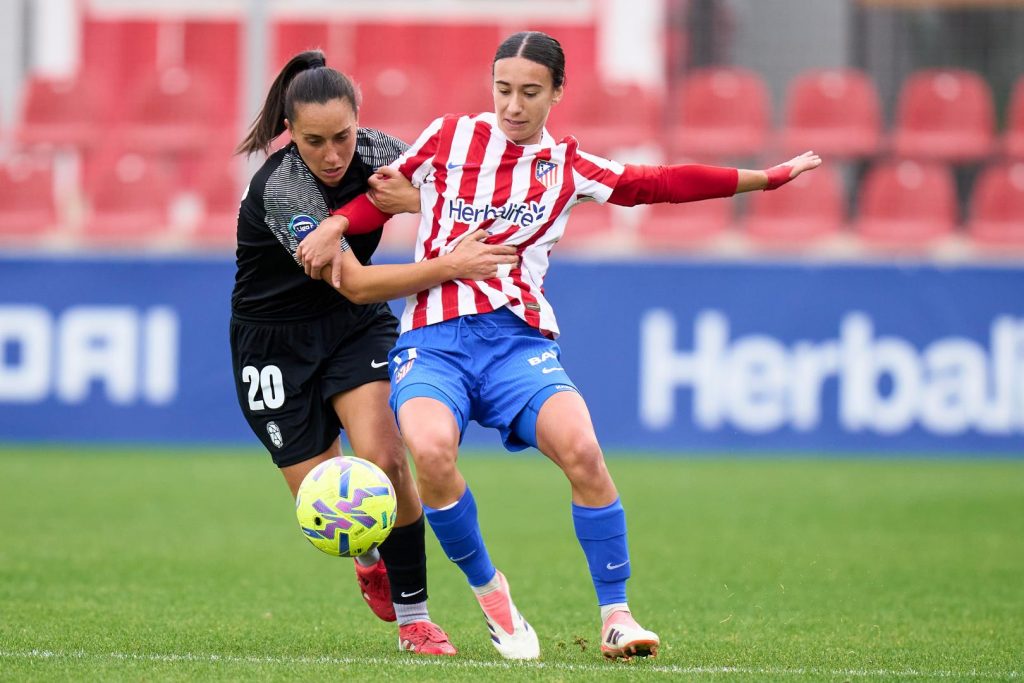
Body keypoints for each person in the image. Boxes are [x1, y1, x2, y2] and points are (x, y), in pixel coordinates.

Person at [299, 31, 821, 662]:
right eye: (502, 90)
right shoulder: (448, 137)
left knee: (584, 451)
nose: (513, 106)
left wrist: (765, 179)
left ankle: (617, 616)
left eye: (529, 93)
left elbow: (657, 182)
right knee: (430, 452)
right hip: (432, 341)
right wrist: (333, 224)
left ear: (556, 94)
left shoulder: (569, 166)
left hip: (516, 343)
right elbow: (378, 198)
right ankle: (492, 594)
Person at [230, 49, 518, 656]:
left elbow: (450, 189)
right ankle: (367, 555)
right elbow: (355, 278)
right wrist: (450, 265)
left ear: (359, 120)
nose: (333, 156)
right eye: (314, 142)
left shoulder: (382, 152)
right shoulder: (281, 188)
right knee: (328, 502)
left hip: (354, 328)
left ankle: (417, 621)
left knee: (386, 462)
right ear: (292, 133)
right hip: (272, 345)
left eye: (342, 137)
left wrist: (423, 202)